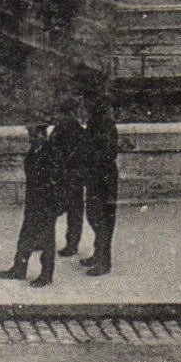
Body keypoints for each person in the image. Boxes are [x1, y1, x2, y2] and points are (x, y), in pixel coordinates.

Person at [0, 120, 60, 287]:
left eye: (34, 135)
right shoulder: (34, 151)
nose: (31, 139)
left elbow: (56, 181)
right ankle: (19, 268)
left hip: (46, 203)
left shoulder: (50, 153)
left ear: (43, 135)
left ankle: (46, 275)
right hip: (33, 202)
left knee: (47, 240)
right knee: (25, 236)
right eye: (30, 135)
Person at [78, 97, 120, 276]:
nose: (82, 109)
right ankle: (98, 254)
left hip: (103, 178)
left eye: (84, 105)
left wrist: (90, 162)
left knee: (102, 219)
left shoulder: (104, 124)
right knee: (94, 216)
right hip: (96, 177)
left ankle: (104, 261)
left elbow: (108, 152)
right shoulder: (96, 123)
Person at [49, 102, 87, 260]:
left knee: (62, 210)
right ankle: (71, 244)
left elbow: (56, 150)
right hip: (72, 176)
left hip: (67, 176)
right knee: (73, 213)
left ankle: (69, 244)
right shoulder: (75, 128)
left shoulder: (66, 128)